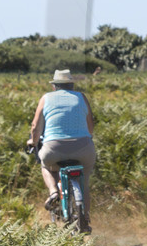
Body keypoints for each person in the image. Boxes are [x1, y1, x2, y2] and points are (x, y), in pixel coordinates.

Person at [26, 69, 97, 214]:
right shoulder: (81, 97)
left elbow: (35, 127)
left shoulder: (46, 98)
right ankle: (86, 220)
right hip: (84, 148)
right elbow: (90, 128)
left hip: (54, 148)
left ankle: (53, 192)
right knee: (84, 185)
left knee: (45, 165)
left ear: (54, 86)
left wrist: (33, 142)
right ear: (72, 85)